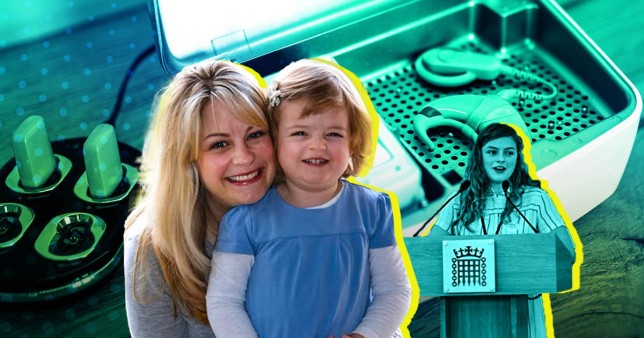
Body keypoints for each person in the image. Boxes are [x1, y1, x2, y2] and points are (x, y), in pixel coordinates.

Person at [206, 58, 413, 338]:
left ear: (353, 142)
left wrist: (368, 335)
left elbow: (395, 290)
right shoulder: (245, 222)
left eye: (334, 133)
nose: (318, 144)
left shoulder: (372, 209)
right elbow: (224, 302)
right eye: (300, 133)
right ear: (275, 141)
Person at [123, 59, 276, 337]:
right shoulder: (151, 248)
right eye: (219, 144)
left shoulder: (309, 201)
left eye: (255, 134)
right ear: (187, 159)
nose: (244, 157)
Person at [429, 122, 577, 338]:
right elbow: (431, 252)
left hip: (522, 311)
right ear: (480, 157)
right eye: (492, 152)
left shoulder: (535, 199)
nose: (501, 159)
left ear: (517, 158)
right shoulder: (458, 203)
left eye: (509, 152)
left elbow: (567, 252)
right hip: (466, 315)